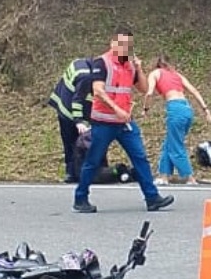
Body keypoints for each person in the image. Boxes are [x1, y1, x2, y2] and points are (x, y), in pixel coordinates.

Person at [73, 28, 175, 214]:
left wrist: (139, 68)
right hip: (104, 121)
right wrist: (117, 109)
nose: (124, 48)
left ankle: (152, 197)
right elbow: (98, 91)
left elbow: (144, 89)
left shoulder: (129, 66)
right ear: (112, 44)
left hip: (124, 123)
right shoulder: (101, 63)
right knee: (93, 160)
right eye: (120, 44)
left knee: (140, 157)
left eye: (128, 45)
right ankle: (80, 198)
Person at [142, 54, 211, 185]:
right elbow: (194, 91)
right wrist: (205, 109)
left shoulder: (155, 73)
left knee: (175, 145)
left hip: (175, 109)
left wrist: (145, 109)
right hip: (187, 109)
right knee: (169, 143)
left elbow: (149, 92)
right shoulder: (177, 75)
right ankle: (164, 175)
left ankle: (189, 176)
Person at [47, 57, 107, 182]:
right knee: (71, 140)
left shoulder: (88, 66)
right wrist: (79, 121)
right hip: (66, 107)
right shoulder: (86, 77)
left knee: (81, 139)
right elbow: (78, 100)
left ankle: (82, 170)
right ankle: (72, 172)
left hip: (67, 97)